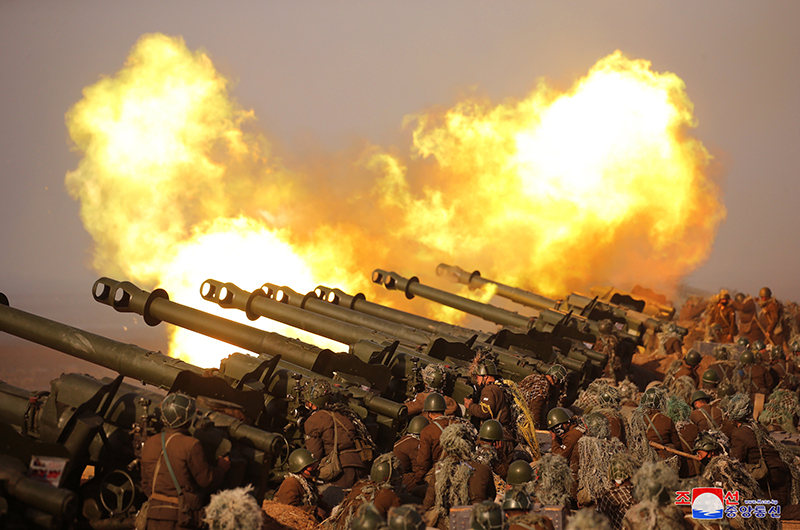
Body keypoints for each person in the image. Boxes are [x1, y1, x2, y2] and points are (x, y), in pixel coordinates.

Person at [141, 393, 230, 530]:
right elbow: (206, 480)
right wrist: (222, 468)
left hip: (153, 515)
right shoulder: (191, 445)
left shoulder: (150, 443)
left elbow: (145, 484)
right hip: (180, 518)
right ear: (187, 421)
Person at [423, 423, 496, 529]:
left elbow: (428, 503)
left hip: (444, 526)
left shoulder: (439, 469)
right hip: (474, 525)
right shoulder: (483, 470)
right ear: (469, 444)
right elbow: (491, 498)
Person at [727, 393, 792, 506]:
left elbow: (735, 462)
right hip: (780, 472)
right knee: (780, 507)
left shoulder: (739, 434)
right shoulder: (760, 427)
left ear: (734, 418)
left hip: (766, 477)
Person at [302, 379, 368, 489]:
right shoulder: (343, 414)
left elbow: (314, 455)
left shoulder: (313, 421)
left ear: (311, 402)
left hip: (338, 470)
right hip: (359, 464)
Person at [409, 393, 459, 490]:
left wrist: (418, 479)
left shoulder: (427, 431)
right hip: (459, 471)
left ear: (428, 413)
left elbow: (423, 461)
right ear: (444, 410)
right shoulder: (458, 424)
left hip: (439, 474)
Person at [274, 448, 327, 520]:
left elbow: (317, 502)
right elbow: (288, 509)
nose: (314, 468)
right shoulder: (291, 483)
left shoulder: (308, 482)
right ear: (301, 468)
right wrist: (315, 510)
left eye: (314, 465)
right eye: (311, 466)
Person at [546, 407, 584, 501]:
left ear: (566, 423)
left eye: (559, 426)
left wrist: (554, 440)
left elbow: (560, 456)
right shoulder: (575, 429)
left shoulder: (571, 436)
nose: (558, 431)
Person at [464, 361, 512, 429]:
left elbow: (484, 412)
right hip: (503, 429)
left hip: (494, 431)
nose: (477, 380)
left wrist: (470, 405)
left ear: (485, 377)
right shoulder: (500, 386)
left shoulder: (489, 389)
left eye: (477, 377)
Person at [517, 364, 567, 429]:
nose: (558, 386)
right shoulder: (543, 385)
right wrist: (536, 428)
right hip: (524, 419)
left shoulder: (536, 379)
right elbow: (536, 408)